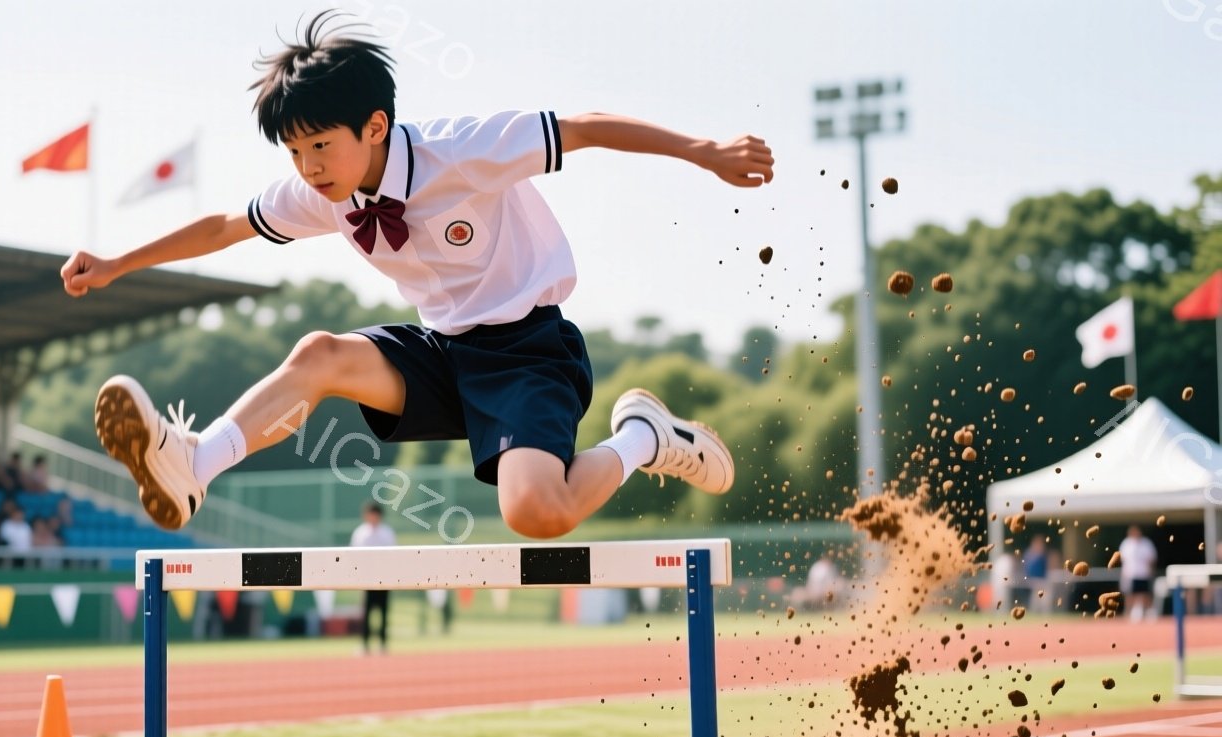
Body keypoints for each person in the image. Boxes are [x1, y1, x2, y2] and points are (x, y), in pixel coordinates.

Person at [62, 15, 763, 537]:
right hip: (441, 355)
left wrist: (704, 150)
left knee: (535, 513)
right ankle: (195, 465)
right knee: (320, 356)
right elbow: (223, 226)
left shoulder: (460, 151)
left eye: (319, 146)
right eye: (294, 150)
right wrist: (120, 263)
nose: (307, 167)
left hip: (528, 353)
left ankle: (645, 436)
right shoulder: (320, 193)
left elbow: (580, 127)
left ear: (374, 126)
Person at [350, 502, 396, 653]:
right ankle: (365, 645)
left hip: (384, 579)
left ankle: (383, 644)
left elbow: (393, 556)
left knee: (383, 612)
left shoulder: (387, 533)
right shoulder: (360, 533)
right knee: (366, 613)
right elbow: (354, 555)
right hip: (366, 579)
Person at [1119, 525, 1159, 621]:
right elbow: (1123, 559)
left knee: (1145, 594)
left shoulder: (1146, 544)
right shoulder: (1126, 544)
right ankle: (1129, 613)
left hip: (1144, 574)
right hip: (1130, 574)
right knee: (1130, 594)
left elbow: (1152, 559)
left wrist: (1151, 571)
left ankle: (1149, 613)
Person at [1022, 536, 1054, 612]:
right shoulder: (1030, 554)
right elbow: (1027, 568)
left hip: (1043, 581)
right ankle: (1035, 612)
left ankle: (1045, 613)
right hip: (1034, 581)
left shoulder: (1044, 555)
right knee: (1035, 601)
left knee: (1045, 601)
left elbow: (1048, 567)